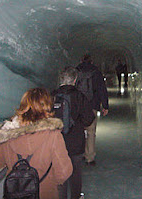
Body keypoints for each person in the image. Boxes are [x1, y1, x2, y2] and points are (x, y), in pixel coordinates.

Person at [0, 88, 73, 199]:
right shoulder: (53, 135)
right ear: (47, 107)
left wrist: (2, 137)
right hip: (45, 193)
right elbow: (64, 173)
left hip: (15, 195)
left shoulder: (8, 134)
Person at [52, 66, 95, 199]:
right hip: (76, 141)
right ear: (75, 79)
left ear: (61, 79)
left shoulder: (52, 96)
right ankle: (76, 196)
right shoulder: (79, 96)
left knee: (60, 172)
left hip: (56, 142)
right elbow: (88, 119)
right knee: (76, 171)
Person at [76, 54, 109, 166]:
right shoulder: (96, 72)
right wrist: (105, 106)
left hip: (78, 106)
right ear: (92, 61)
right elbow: (102, 89)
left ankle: (79, 154)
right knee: (91, 132)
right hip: (92, 105)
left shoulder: (76, 71)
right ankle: (90, 157)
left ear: (81, 60)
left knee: (79, 131)